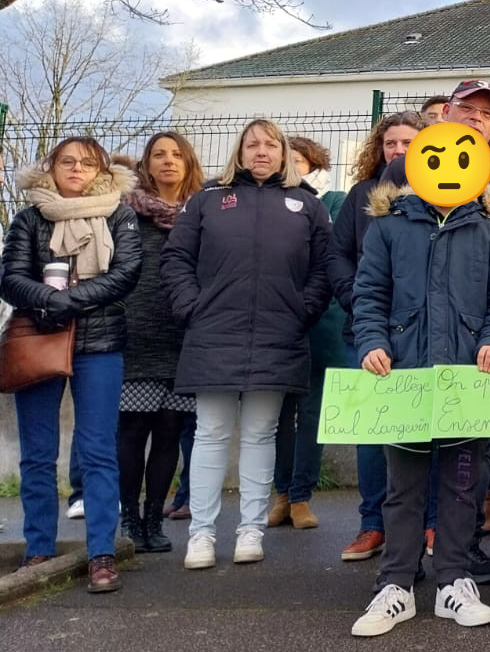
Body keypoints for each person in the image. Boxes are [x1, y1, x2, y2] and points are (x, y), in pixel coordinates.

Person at [378, 79, 490, 582]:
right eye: (466, 108)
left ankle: (462, 551)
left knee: (472, 453)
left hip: (486, 342)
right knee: (407, 455)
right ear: (444, 112)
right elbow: (376, 259)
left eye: (486, 113)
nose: (475, 117)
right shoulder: (401, 169)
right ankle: (402, 565)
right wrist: (380, 330)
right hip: (409, 342)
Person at [348, 164, 490, 636]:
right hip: (403, 375)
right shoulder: (388, 226)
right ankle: (396, 585)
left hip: (468, 378)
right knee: (402, 486)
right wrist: (372, 343)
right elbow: (368, 295)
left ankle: (455, 579)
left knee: (463, 482)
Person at [162, 119, 333, 571]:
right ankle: (200, 535)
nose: (261, 151)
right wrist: (191, 306)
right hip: (213, 333)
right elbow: (176, 257)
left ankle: (250, 530)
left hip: (281, 334)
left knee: (262, 435)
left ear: (282, 153)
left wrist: (305, 307)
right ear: (239, 152)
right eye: (252, 144)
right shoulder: (208, 201)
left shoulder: (307, 206)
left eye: (271, 144)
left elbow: (324, 266)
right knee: (211, 434)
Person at [2, 138, 141, 592]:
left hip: (99, 344)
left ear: (100, 170)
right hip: (38, 340)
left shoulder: (119, 214)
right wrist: (49, 301)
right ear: (52, 168)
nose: (76, 169)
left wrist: (68, 301)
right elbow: (11, 278)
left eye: (86, 162)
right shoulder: (29, 218)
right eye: (67, 161)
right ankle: (38, 549)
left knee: (98, 449)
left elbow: (125, 275)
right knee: (37, 454)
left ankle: (102, 552)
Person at [327, 111, 424, 561]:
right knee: (372, 431)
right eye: (390, 143)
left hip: (425, 336)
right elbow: (339, 255)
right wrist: (355, 300)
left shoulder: (442, 195)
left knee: (429, 430)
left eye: (408, 142)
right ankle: (372, 524)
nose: (398, 151)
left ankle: (431, 525)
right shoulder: (362, 196)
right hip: (366, 333)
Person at [118, 132, 205, 556]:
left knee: (171, 430)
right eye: (158, 155)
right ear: (146, 165)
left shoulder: (203, 211)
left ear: (189, 163)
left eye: (176, 155)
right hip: (135, 335)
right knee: (133, 430)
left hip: (182, 336)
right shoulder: (125, 211)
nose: (168, 162)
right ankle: (129, 518)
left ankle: (155, 518)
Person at [268, 135, 342, 531]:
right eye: (286, 160)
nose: (291, 167)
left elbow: (335, 257)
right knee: (280, 411)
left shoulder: (335, 200)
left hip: (322, 319)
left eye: (298, 160)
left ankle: (301, 496)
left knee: (312, 412)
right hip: (278, 320)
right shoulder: (268, 202)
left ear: (314, 164)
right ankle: (280, 493)